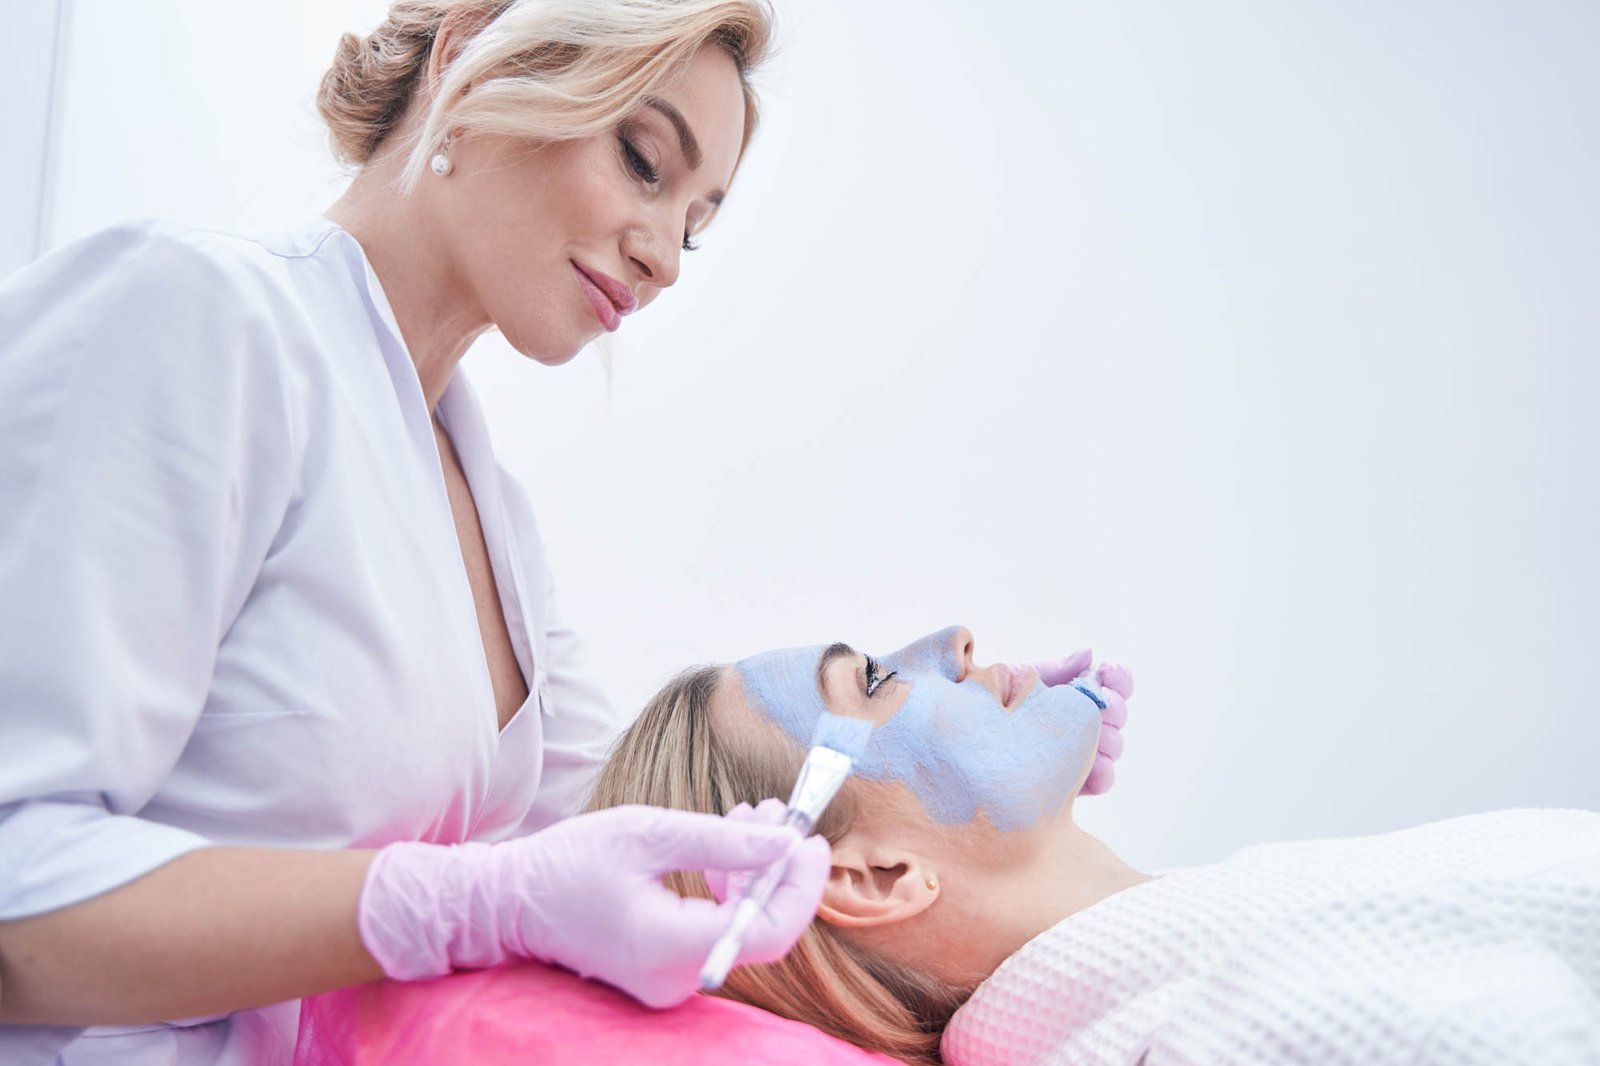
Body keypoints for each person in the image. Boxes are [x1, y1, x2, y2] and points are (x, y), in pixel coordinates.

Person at [0, 3, 838, 1063]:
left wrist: (916, 729)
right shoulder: (201, 319)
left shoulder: (490, 515)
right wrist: (451, 904)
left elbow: (645, 825)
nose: (666, 253)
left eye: (695, 223)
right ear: (471, 60)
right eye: (641, 160)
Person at [589, 624, 1600, 1065]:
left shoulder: (1214, 949)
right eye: (879, 682)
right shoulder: (1229, 1020)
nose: (955, 639)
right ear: (877, 875)